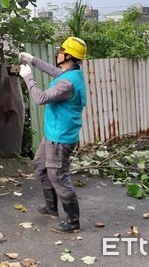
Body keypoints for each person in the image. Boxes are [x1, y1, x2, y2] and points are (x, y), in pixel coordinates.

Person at [18, 37, 87, 233]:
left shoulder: (68, 84)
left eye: (61, 50)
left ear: (68, 56)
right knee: (40, 167)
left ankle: (73, 222)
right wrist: (32, 60)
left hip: (60, 138)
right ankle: (51, 207)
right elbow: (53, 70)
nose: (58, 52)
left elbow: (41, 98)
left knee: (58, 176)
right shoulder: (71, 73)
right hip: (52, 133)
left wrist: (27, 77)